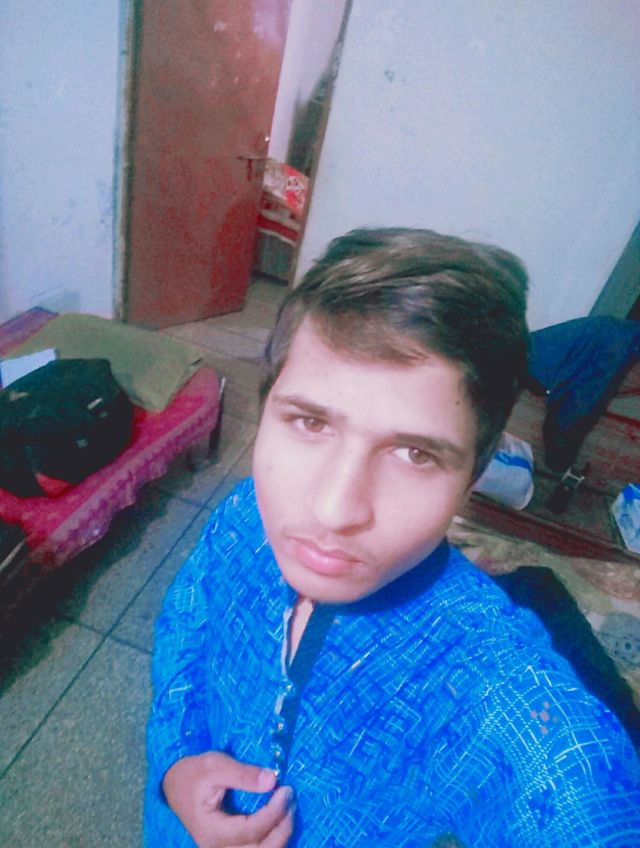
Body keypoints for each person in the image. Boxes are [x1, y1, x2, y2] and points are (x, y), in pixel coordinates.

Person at [144, 228, 640, 848]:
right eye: (310, 421)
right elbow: (186, 628)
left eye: (415, 454)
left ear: (473, 475)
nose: (334, 509)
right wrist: (176, 765)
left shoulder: (489, 682)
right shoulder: (244, 515)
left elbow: (582, 802)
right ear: (266, 408)